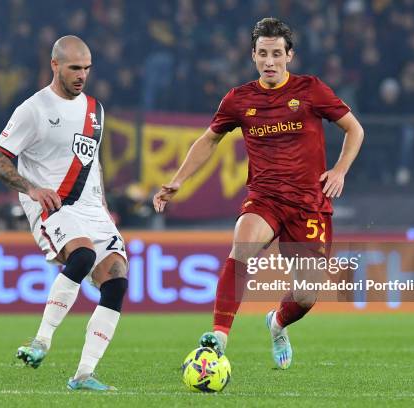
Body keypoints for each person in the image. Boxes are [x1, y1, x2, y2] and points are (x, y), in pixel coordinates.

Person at [153, 18, 364, 369]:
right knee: (243, 247)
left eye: (276, 54)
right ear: (253, 55)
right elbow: (209, 140)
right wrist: (178, 180)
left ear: (289, 56)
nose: (269, 61)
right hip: (264, 198)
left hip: (309, 203)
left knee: (307, 295)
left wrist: (340, 170)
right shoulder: (239, 99)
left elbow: (354, 129)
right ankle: (218, 338)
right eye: (263, 53)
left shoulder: (311, 90)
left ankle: (278, 323)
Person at [0, 35, 127, 391]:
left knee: (116, 280)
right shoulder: (33, 109)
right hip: (54, 205)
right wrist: (31, 189)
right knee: (82, 256)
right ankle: (41, 341)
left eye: (87, 69)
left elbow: (92, 164)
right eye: (74, 68)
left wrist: (105, 209)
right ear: (55, 65)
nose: (82, 75)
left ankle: (84, 374)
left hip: (92, 208)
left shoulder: (96, 109)